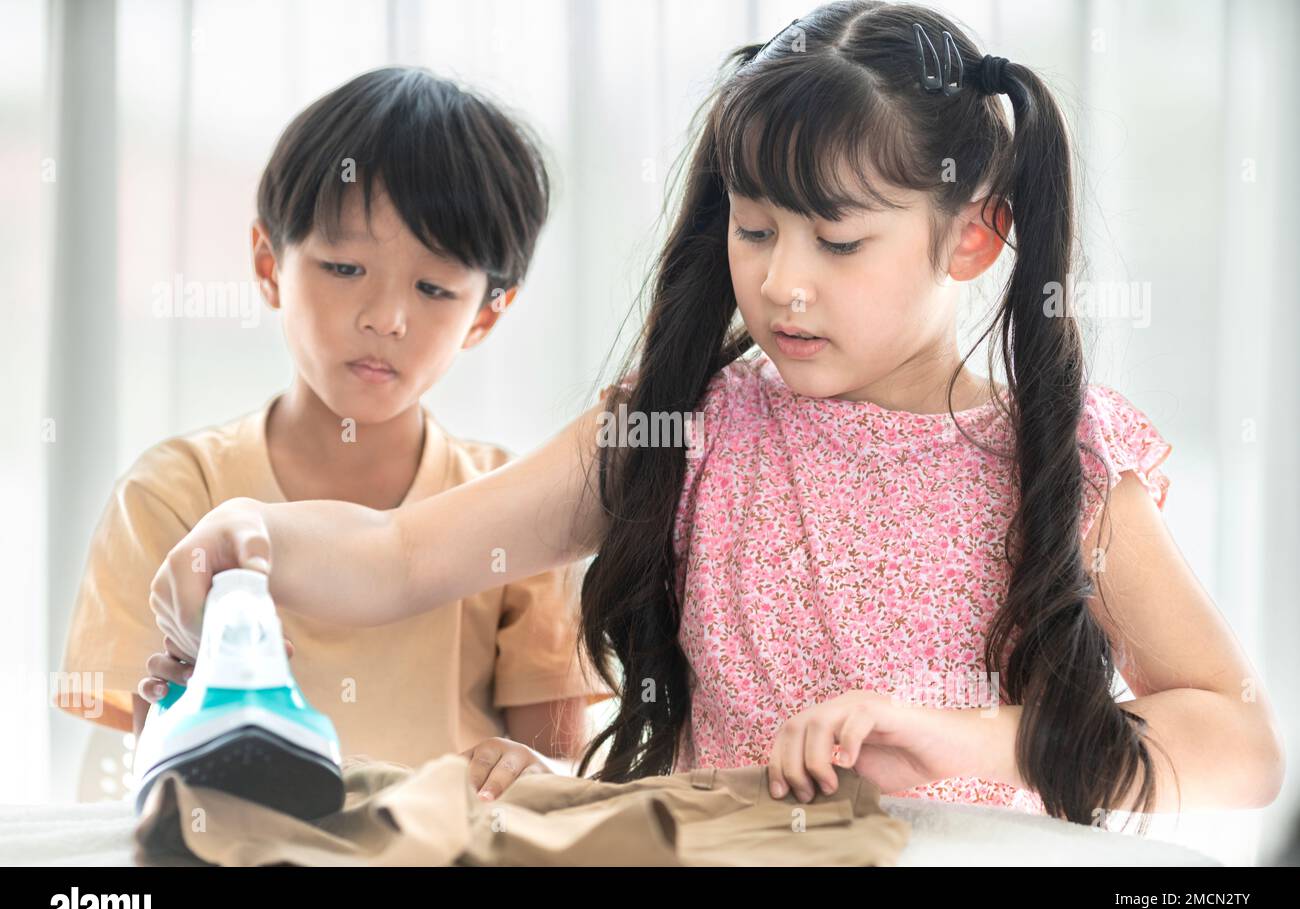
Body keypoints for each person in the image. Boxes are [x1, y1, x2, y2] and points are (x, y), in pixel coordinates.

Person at [146, 4, 1284, 827]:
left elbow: (1237, 742)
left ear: (972, 237)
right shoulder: (680, 430)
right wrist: (252, 536)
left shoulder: (1058, 463)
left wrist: (974, 740)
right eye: (754, 228)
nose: (784, 280)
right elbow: (399, 557)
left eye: (838, 242)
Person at [55, 67, 611, 801]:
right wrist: (180, 709)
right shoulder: (172, 495)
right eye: (345, 266)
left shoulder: (518, 510)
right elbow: (123, 778)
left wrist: (543, 776)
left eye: (434, 287)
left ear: (487, 314)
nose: (385, 316)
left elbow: (559, 769)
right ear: (268, 265)